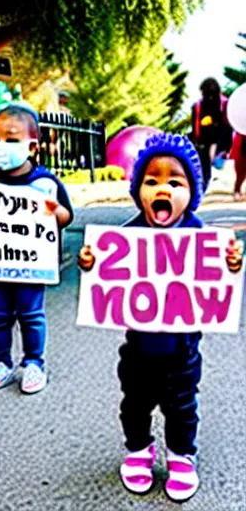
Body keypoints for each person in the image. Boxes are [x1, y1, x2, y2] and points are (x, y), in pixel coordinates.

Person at [78, 133, 243, 502]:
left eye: (174, 181)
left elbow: (221, 270)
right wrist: (89, 261)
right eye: (151, 182)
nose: (161, 189)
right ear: (138, 192)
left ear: (192, 192)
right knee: (134, 403)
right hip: (137, 347)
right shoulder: (128, 235)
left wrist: (232, 262)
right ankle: (139, 451)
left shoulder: (200, 236)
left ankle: (181, 456)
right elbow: (103, 266)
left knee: (182, 406)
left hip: (182, 350)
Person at [0, 104, 73, 395]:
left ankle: (34, 362)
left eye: (11, 139)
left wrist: (54, 211)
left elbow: (66, 217)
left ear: (32, 145)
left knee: (31, 315)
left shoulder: (44, 183)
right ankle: (2, 363)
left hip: (30, 265)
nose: (1, 146)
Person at [191, 77, 233, 190]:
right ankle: (206, 185)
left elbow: (226, 126)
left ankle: (206, 184)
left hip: (218, 140)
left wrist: (218, 145)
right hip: (208, 140)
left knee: (209, 165)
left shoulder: (223, 104)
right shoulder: (199, 106)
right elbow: (195, 125)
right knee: (207, 165)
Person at [230, 132, 246, 201]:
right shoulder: (239, 129)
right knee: (240, 174)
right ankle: (237, 191)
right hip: (242, 150)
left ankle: (237, 191)